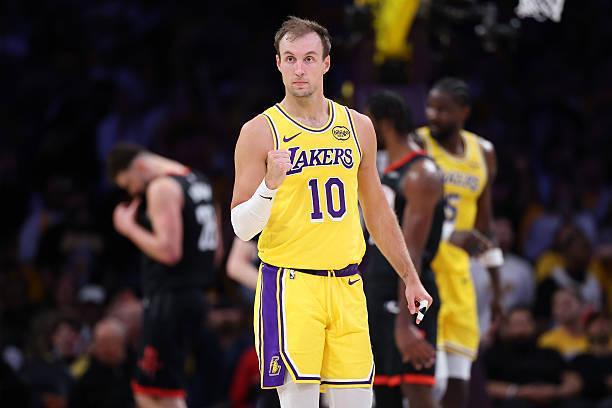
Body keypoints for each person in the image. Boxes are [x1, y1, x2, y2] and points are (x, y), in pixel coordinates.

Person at [230, 16, 432, 408]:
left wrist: (410, 276)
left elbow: (377, 211)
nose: (299, 69)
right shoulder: (259, 131)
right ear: (278, 63)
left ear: (326, 63)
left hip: (347, 285)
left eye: (308, 58)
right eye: (290, 58)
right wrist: (269, 186)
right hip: (291, 286)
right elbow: (241, 227)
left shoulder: (358, 126)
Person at [108, 143, 220, 408]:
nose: (132, 192)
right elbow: (216, 252)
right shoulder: (199, 181)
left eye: (128, 183)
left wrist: (128, 228)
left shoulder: (162, 187)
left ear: (139, 166)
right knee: (164, 390)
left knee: (153, 392)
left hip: (170, 299)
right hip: (196, 296)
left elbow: (169, 251)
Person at [416, 77, 502, 407]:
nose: (433, 115)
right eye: (430, 108)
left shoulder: (484, 152)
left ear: (464, 112)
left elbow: (486, 227)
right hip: (423, 273)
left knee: (458, 381)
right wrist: (449, 232)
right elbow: (400, 208)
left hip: (460, 278)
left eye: (443, 110)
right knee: (427, 382)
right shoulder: (418, 143)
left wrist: (496, 290)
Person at [364, 90, 444, 408]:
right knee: (384, 395)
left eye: (368, 121)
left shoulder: (421, 174)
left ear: (385, 123)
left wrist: (406, 324)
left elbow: (412, 250)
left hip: (407, 300)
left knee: (417, 392)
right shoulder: (387, 171)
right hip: (378, 292)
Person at [69, 318, 134, 408]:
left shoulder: (136, 365)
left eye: (111, 343)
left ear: (122, 342)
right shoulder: (85, 373)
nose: (106, 349)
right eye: (101, 343)